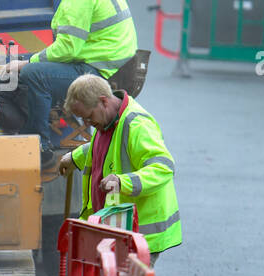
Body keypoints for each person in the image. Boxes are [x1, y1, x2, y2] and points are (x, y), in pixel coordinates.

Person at [4, 0, 138, 169]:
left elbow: (68, 48)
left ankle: (40, 148)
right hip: (106, 64)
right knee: (25, 65)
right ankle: (31, 130)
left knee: (34, 74)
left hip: (100, 72)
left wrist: (28, 62)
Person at [57, 73, 181, 259]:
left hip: (140, 235)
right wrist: (74, 157)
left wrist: (123, 183)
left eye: (89, 117)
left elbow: (163, 167)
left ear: (103, 101)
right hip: (119, 232)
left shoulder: (137, 125)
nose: (87, 124)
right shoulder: (108, 122)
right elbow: (106, 148)